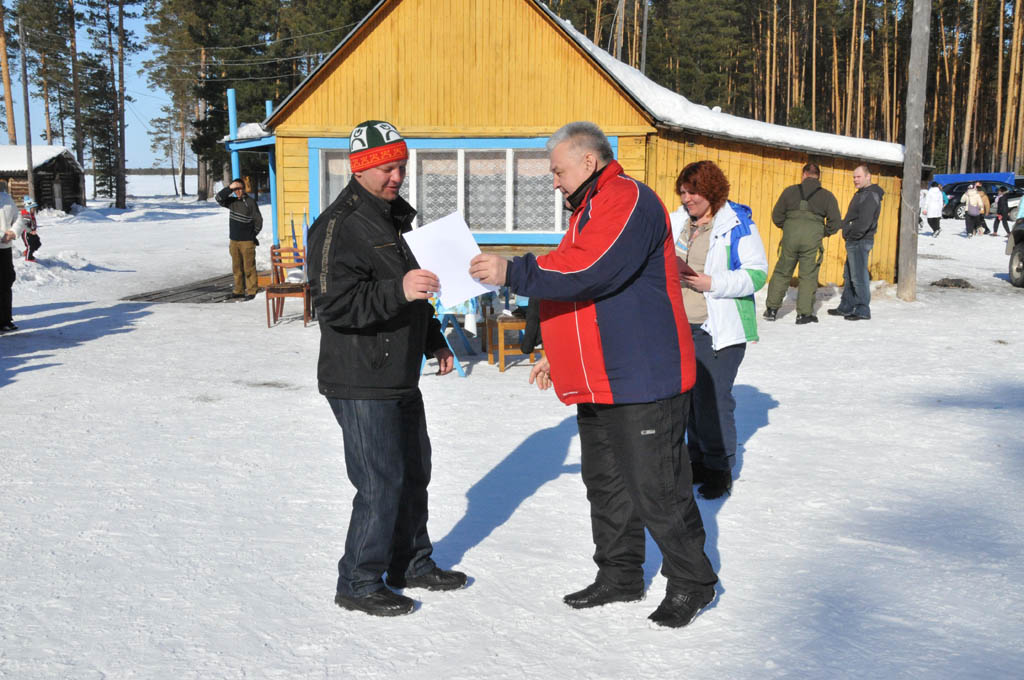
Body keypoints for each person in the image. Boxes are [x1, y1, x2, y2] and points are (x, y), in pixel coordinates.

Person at [469, 122, 718, 629]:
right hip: (602, 375)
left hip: (643, 377)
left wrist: (513, 271)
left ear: (588, 162)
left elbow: (589, 270)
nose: (555, 181)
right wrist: (557, 355)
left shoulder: (626, 198)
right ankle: (620, 574)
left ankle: (692, 580)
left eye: (558, 171)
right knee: (606, 483)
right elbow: (583, 296)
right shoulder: (588, 209)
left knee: (658, 487)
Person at [306, 120, 463, 618]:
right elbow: (332, 305)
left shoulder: (394, 219)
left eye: (401, 166)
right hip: (358, 375)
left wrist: (433, 338)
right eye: (387, 168)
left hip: (398, 373)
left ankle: (411, 562)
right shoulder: (337, 226)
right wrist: (399, 291)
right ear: (361, 167)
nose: (397, 176)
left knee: (414, 471)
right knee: (379, 481)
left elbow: (415, 290)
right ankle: (358, 580)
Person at [670, 161, 768, 499]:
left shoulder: (736, 225)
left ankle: (719, 468)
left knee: (713, 400)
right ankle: (697, 460)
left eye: (692, 191)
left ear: (710, 189)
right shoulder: (679, 222)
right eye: (683, 192)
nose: (687, 198)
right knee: (691, 402)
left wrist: (712, 282)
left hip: (718, 329)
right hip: (681, 327)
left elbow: (757, 275)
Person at [762, 163, 841, 324]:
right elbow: (835, 222)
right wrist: (822, 232)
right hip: (812, 239)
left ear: (803, 174)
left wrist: (788, 228)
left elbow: (777, 215)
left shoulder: (789, 191)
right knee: (808, 276)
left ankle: (771, 309)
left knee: (782, 271)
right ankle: (804, 314)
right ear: (818, 176)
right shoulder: (827, 196)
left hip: (790, 237)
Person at [827, 164, 884, 321]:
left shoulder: (871, 195)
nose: (855, 180)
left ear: (868, 176)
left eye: (858, 176)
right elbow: (852, 217)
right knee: (849, 274)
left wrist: (852, 234)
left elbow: (864, 222)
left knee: (858, 276)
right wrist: (846, 229)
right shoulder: (861, 193)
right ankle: (847, 305)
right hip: (854, 240)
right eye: (854, 177)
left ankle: (862, 308)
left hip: (860, 240)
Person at [215, 178, 263, 300]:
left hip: (247, 241)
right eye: (236, 189)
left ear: (244, 189)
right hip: (234, 241)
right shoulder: (232, 202)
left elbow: (258, 220)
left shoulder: (250, 202)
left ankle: (252, 291)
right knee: (237, 268)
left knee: (249, 268)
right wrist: (229, 188)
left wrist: (252, 235)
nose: (238, 191)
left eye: (240, 188)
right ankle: (238, 290)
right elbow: (218, 198)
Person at [0, 191, 24, 333]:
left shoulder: (5, 197)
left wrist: (14, 232)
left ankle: (5, 320)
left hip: (5, 248)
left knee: (6, 281)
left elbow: (19, 217)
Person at [19, 196, 41, 261]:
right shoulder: (26, 215)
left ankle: (27, 252)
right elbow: (24, 225)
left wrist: (34, 229)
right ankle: (28, 258)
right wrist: (30, 231)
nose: (34, 210)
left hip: (32, 232)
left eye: (34, 208)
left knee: (37, 243)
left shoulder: (31, 214)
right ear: (28, 208)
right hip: (26, 233)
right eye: (33, 208)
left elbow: (33, 223)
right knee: (30, 246)